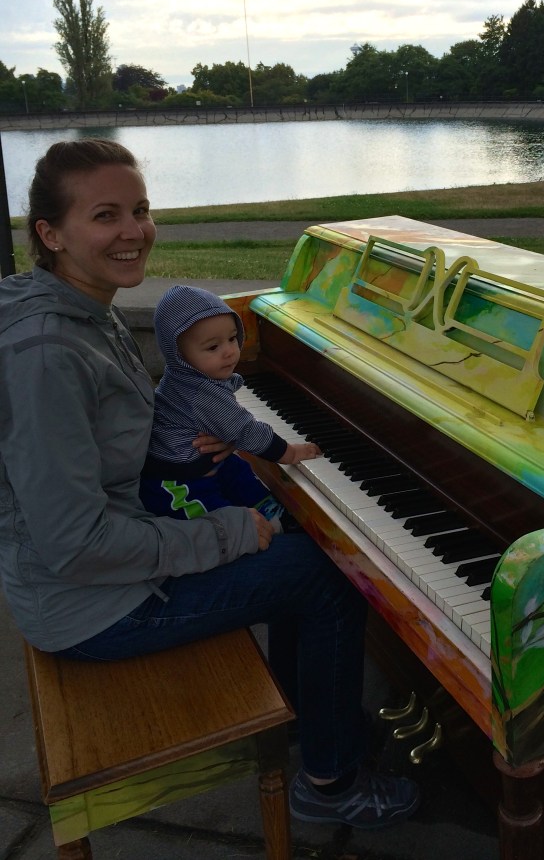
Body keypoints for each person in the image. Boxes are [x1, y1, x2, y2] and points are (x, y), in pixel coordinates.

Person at [0, 138, 418, 828]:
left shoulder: (84, 306)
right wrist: (220, 533)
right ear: (51, 234)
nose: (133, 231)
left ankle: (308, 716)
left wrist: (193, 442)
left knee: (296, 556)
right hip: (92, 607)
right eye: (105, 216)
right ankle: (330, 780)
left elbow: (106, 440)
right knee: (324, 573)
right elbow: (76, 543)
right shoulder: (48, 355)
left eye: (140, 209)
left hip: (102, 568)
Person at [140, 284, 318, 529]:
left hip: (203, 459)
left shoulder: (184, 375)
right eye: (213, 347)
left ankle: (269, 512)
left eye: (232, 338)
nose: (229, 352)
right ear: (179, 355)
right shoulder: (202, 393)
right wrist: (291, 453)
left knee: (238, 469)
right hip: (177, 481)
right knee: (212, 518)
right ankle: (257, 531)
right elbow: (246, 431)